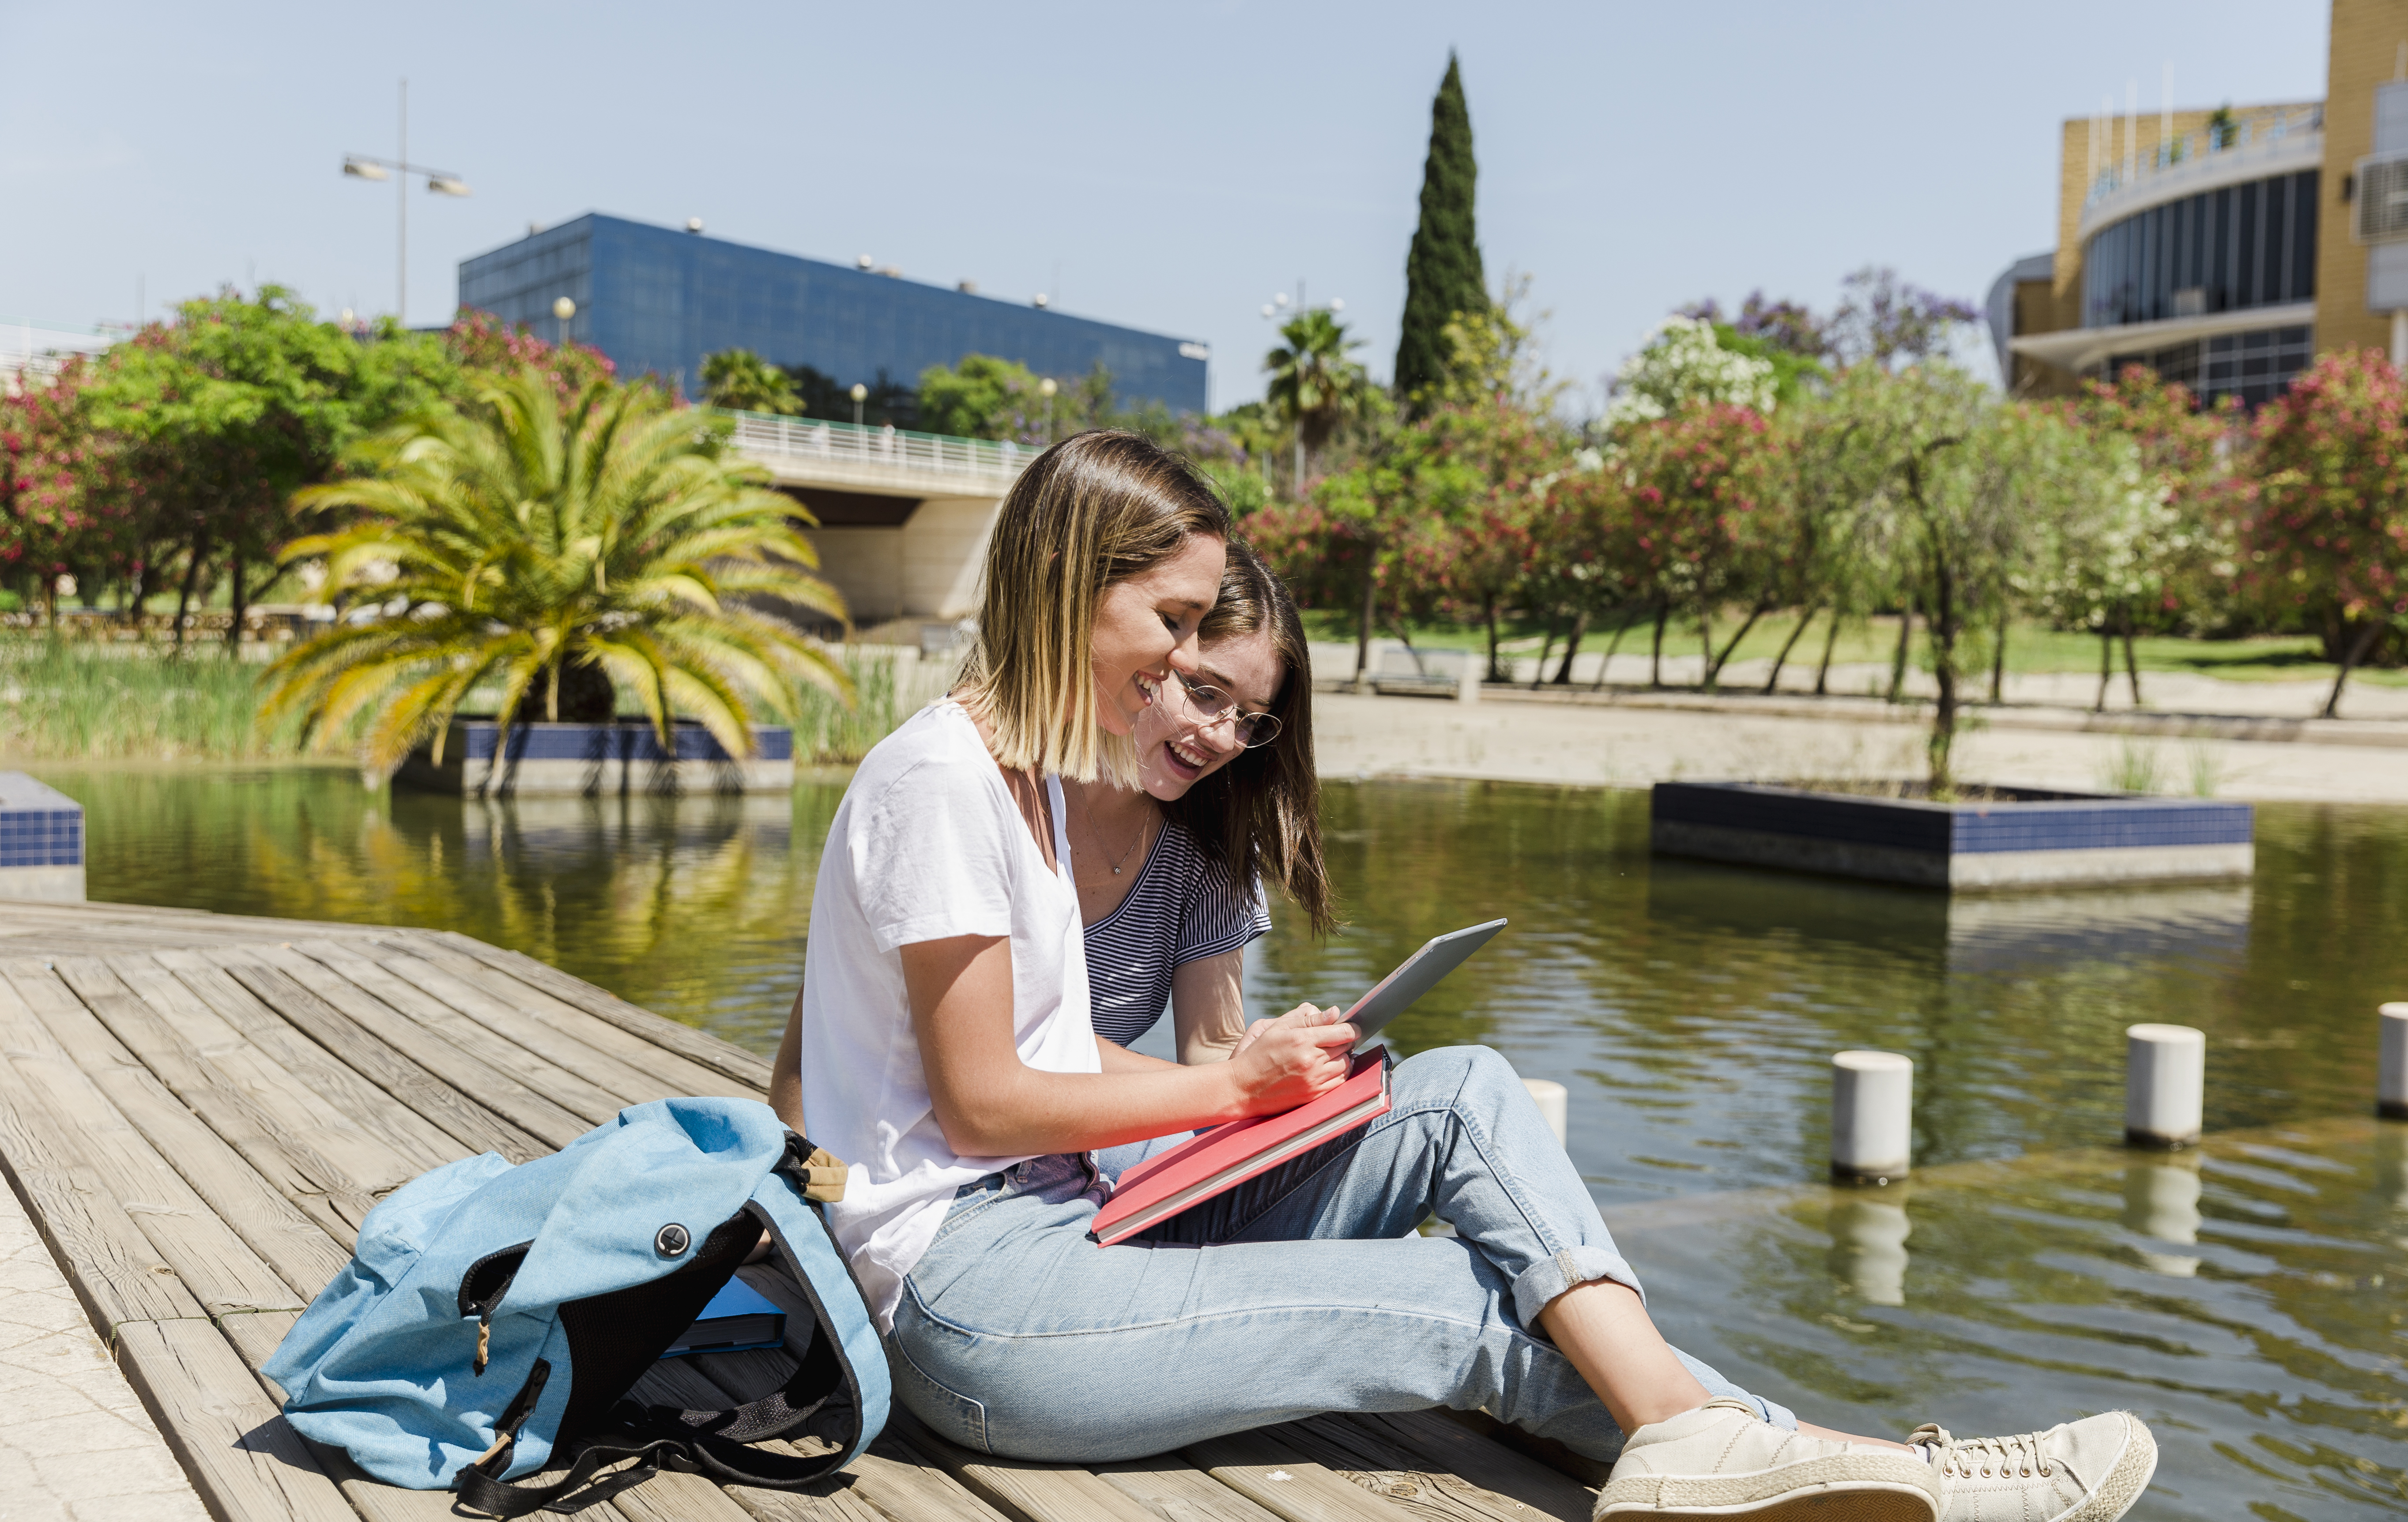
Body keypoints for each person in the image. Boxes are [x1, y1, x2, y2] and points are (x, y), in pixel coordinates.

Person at [774, 429, 2156, 1522]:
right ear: (1079, 580)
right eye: (1176, 618)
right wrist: (1223, 1079)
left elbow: (1047, 1067)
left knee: (1462, 1094)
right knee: (1455, 1304)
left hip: (1069, 1233)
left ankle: (1781, 1457)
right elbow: (983, 1107)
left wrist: (1250, 1089)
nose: (1190, 660)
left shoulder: (1046, 788)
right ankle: (1860, 1470)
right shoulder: (941, 782)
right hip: (972, 1307)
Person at [1066, 542, 1331, 1068]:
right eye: (1207, 692)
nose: (1227, 738)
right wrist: (1234, 1087)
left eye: (1253, 719)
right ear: (1156, 656)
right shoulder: (1002, 793)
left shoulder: (1208, 847)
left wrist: (1259, 1058)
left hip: (1087, 1141)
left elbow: (1210, 1047)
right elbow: (1011, 1050)